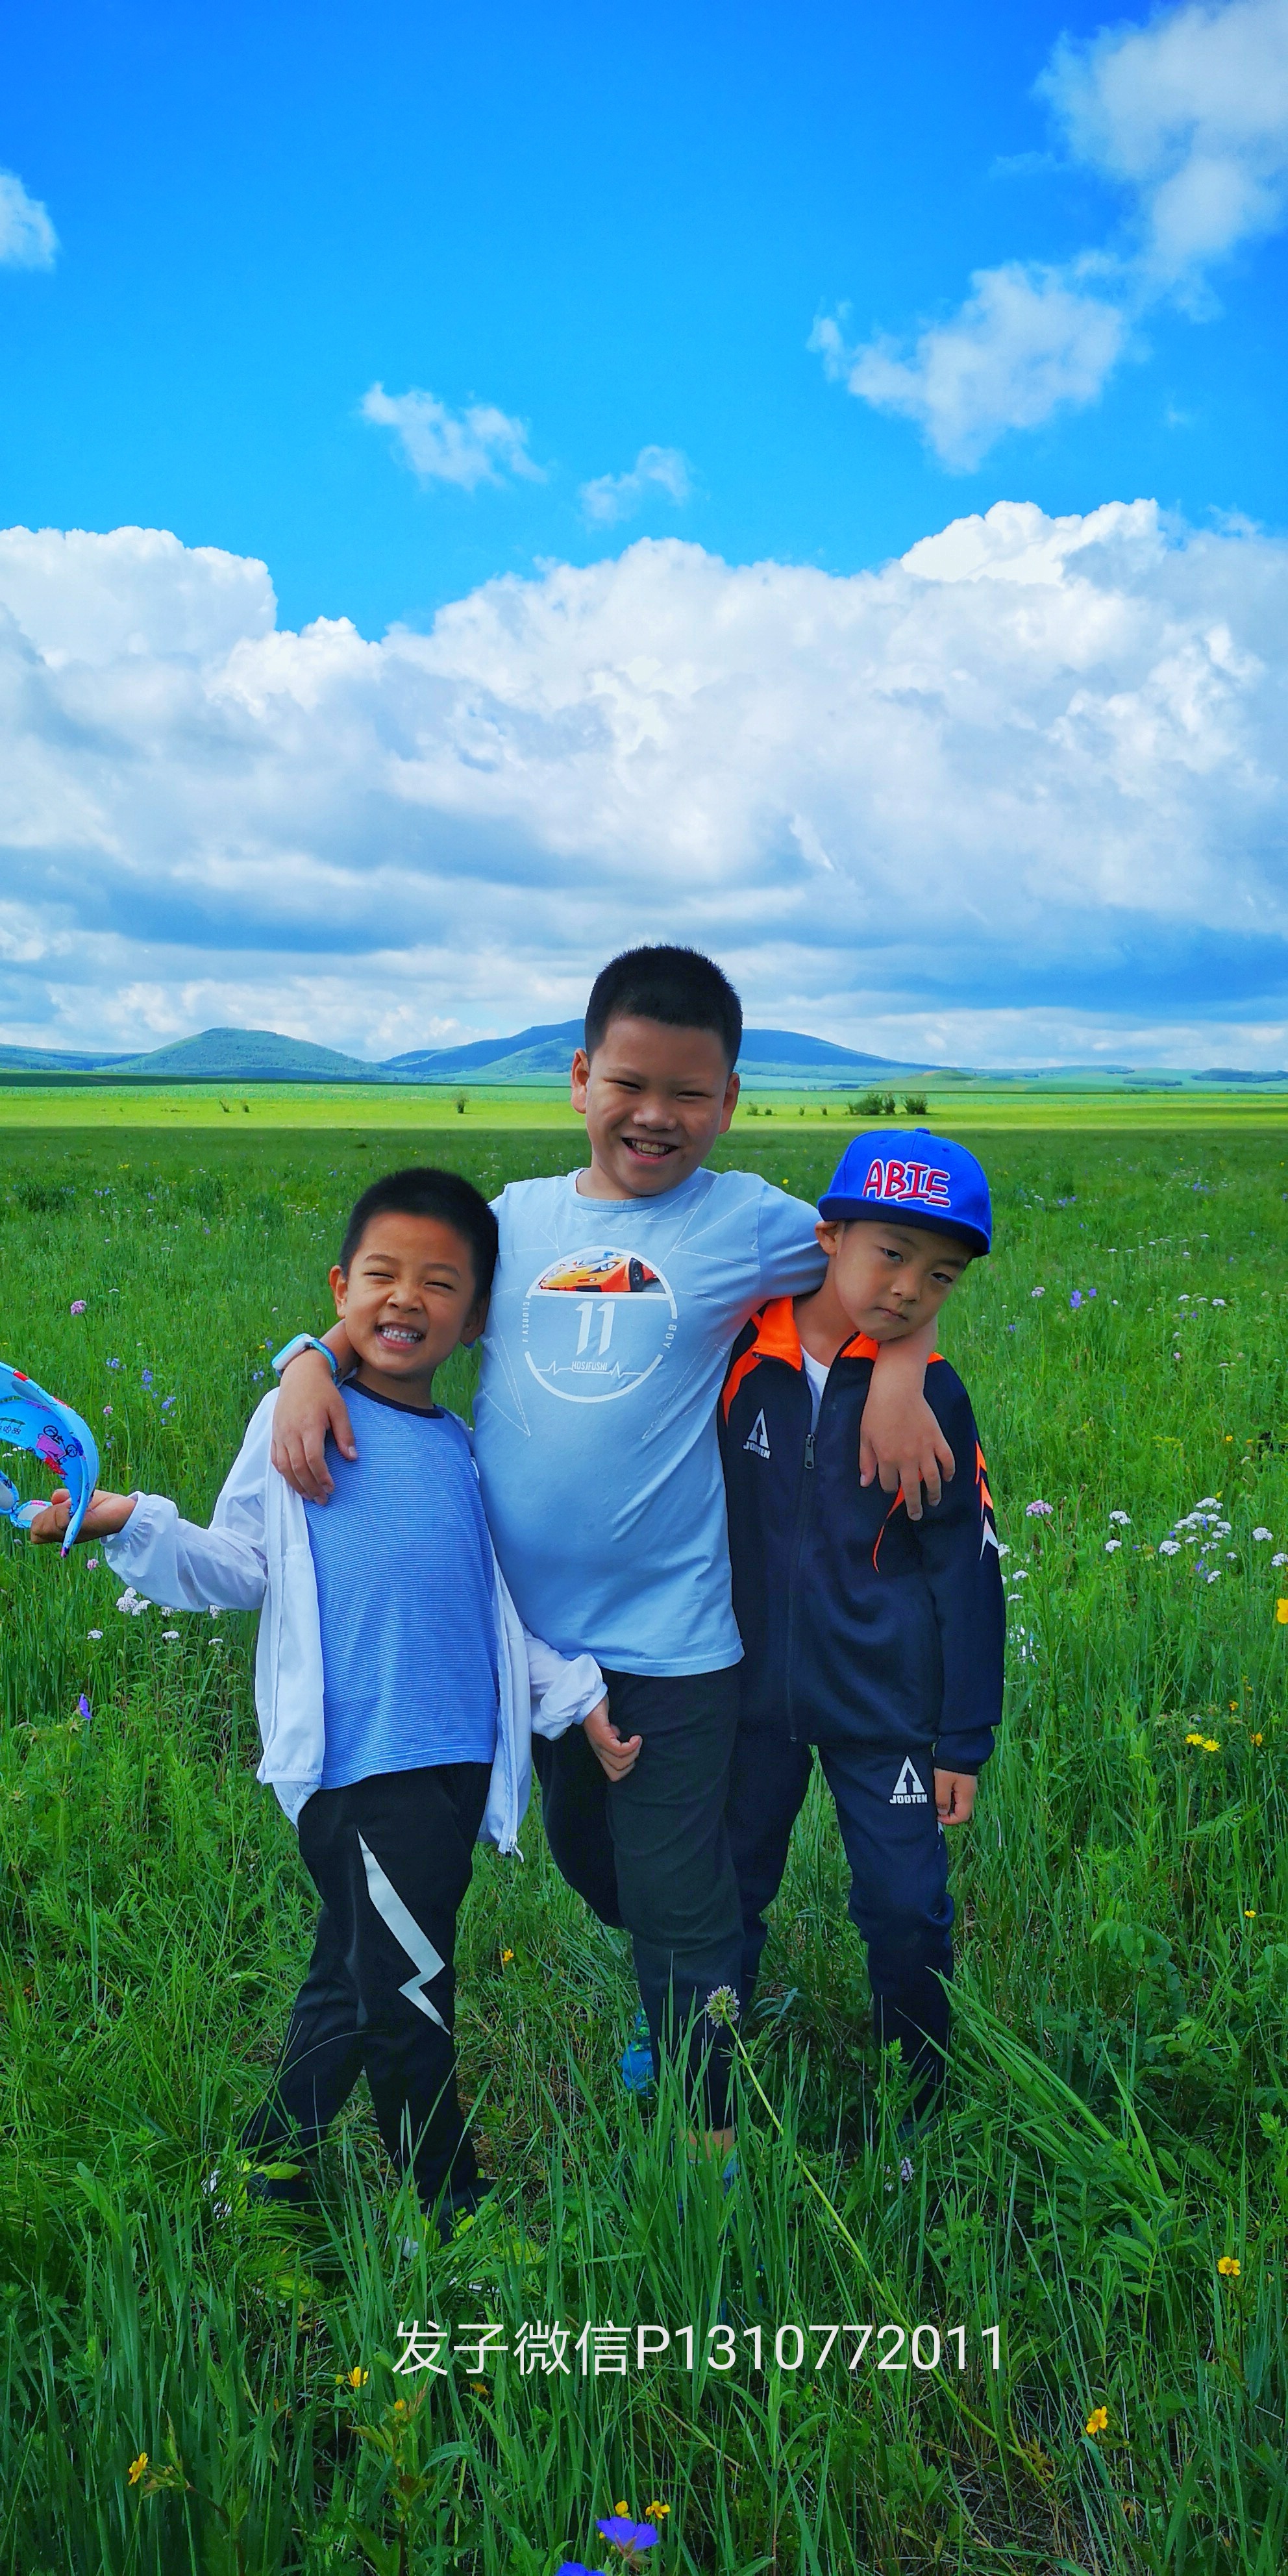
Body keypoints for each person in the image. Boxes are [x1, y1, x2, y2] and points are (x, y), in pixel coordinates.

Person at [268, 950, 952, 2148]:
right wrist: (313, 1359)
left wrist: (898, 1366)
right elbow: (404, 1302)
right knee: (602, 1870)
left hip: (679, 1644)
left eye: (691, 1093)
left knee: (681, 1903)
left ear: (730, 1101)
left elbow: (885, 1263)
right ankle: (708, 1971)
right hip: (518, 1649)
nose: (656, 1115)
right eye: (630, 1082)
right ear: (581, 1078)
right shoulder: (516, 1219)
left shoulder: (745, 1221)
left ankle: (705, 2142)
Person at [31, 1167, 606, 2235]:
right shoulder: (302, 1413)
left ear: (474, 1318)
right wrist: (129, 1520)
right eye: (383, 1274)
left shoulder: (461, 1449)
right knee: (414, 1998)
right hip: (357, 1762)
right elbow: (239, 1560)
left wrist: (571, 1699)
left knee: (357, 1978)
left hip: (451, 1766)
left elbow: (494, 1608)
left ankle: (260, 2183)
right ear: (341, 1288)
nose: (406, 1298)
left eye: (440, 1284)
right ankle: (455, 2218)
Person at [719, 1129, 1004, 2127]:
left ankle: (920, 2101)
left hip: (886, 1708)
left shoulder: (934, 1398)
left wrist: (964, 1735)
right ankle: (705, 2078)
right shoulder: (736, 1354)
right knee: (725, 1898)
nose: (907, 1291)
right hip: (742, 1694)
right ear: (828, 1236)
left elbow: (969, 1568)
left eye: (941, 1276)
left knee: (903, 1908)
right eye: (888, 1254)